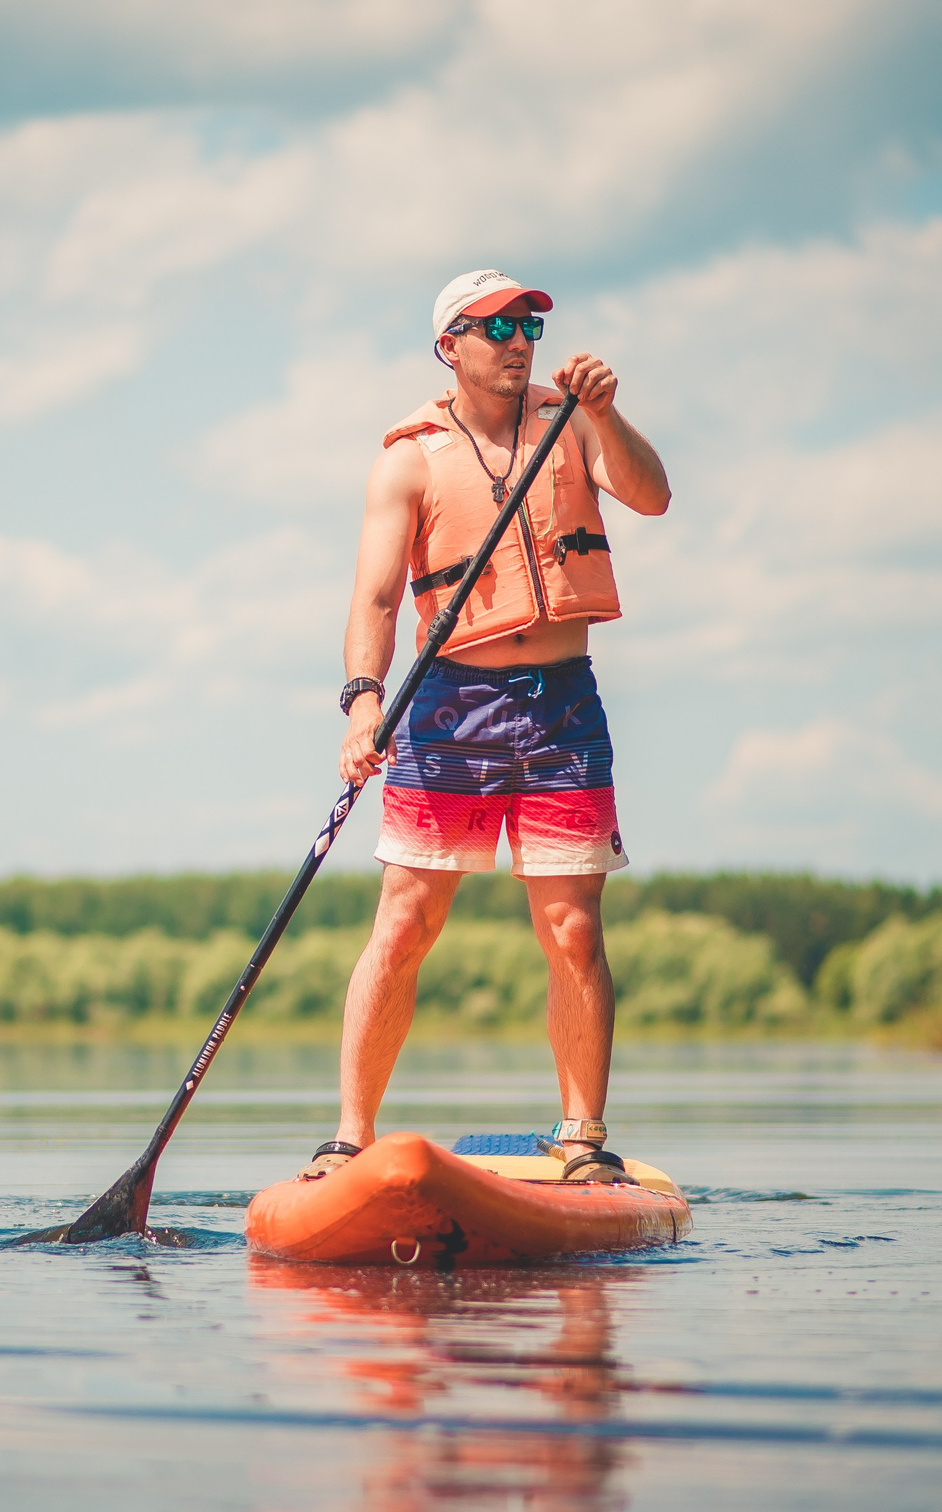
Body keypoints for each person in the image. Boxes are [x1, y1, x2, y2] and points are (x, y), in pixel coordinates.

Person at [308, 269, 670, 1183]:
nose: (518, 341)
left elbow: (652, 494)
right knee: (404, 920)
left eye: (528, 327)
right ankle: (349, 1138)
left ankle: (582, 1141)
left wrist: (609, 414)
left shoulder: (574, 420)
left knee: (574, 929)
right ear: (450, 346)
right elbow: (379, 597)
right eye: (495, 326)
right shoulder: (409, 459)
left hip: (562, 706)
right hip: (448, 708)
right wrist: (362, 704)